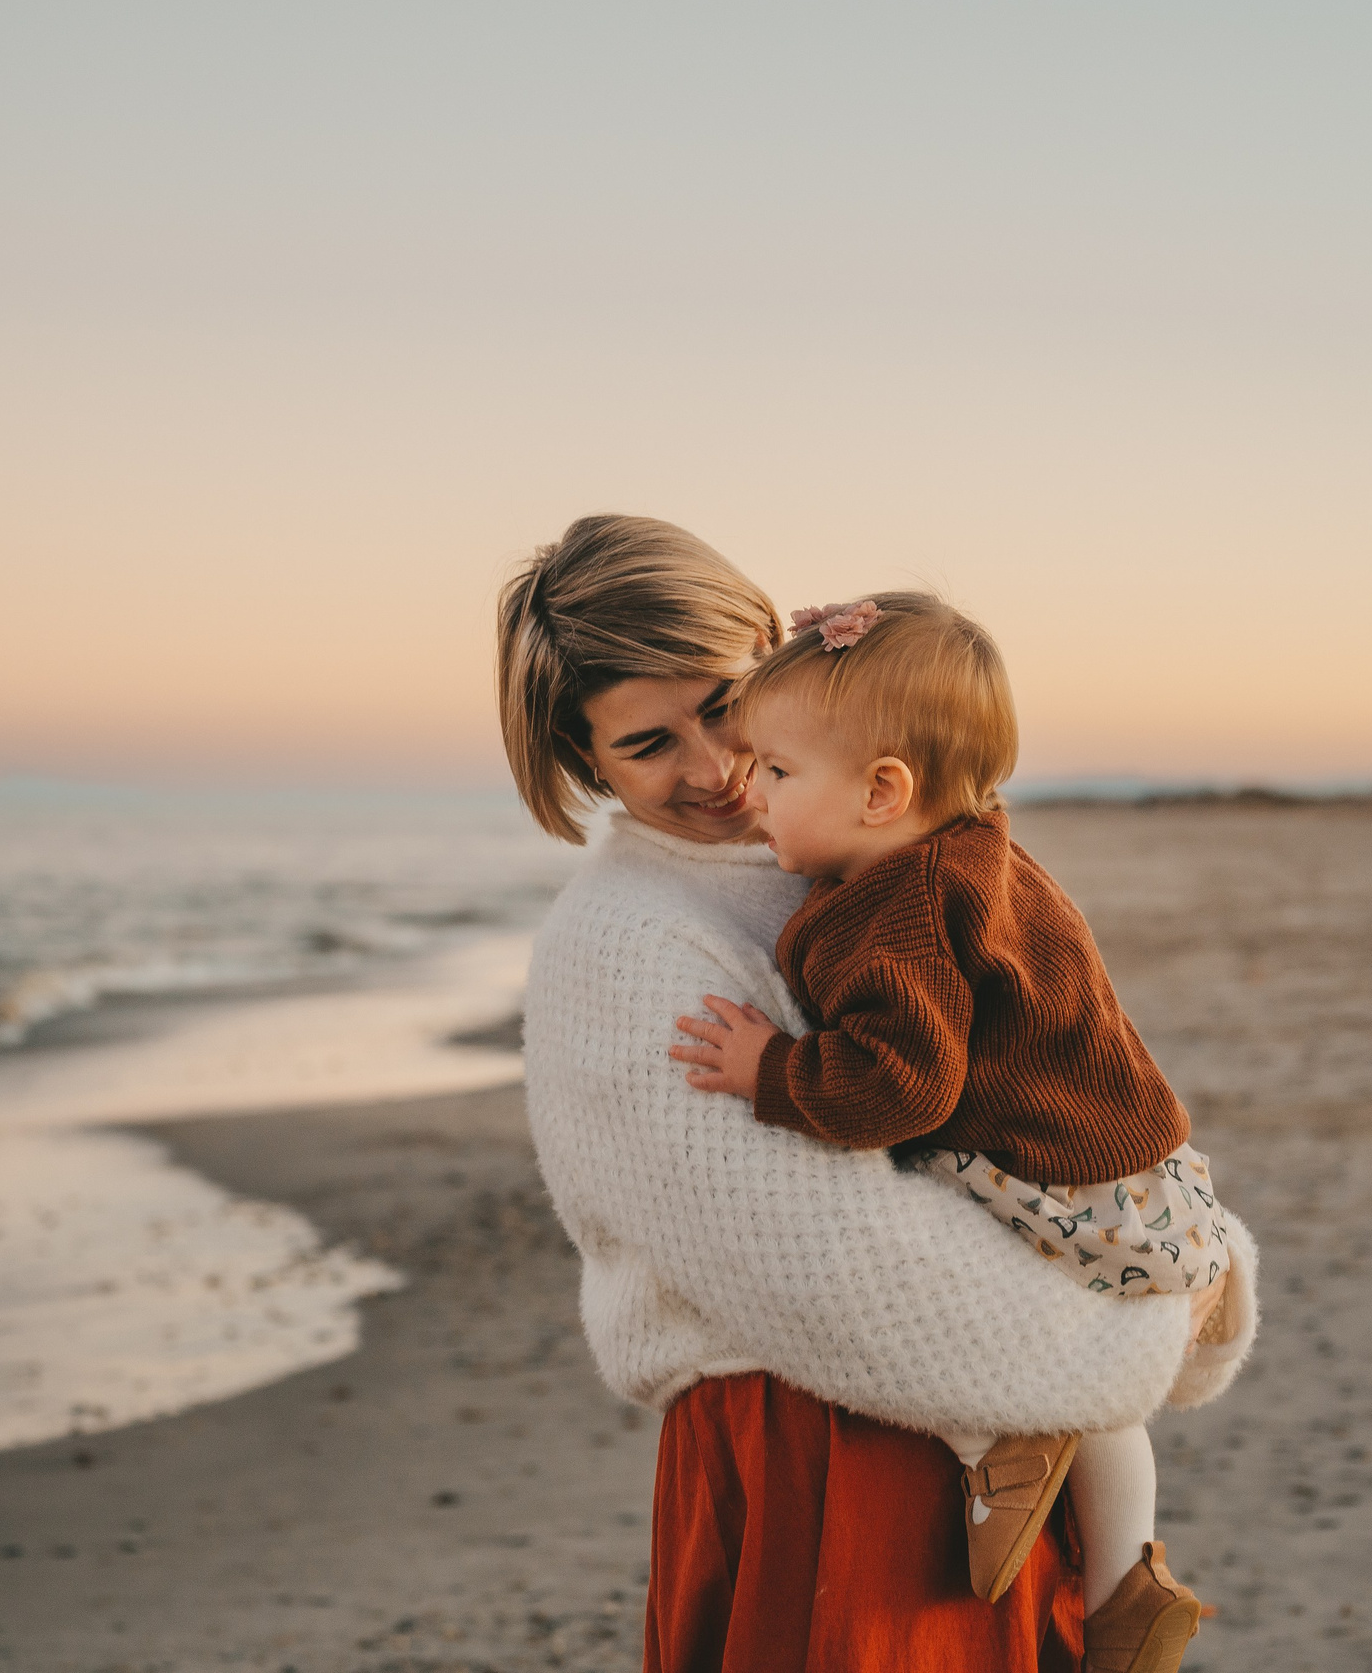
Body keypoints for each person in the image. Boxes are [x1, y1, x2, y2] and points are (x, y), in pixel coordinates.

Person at [498, 517, 1258, 1672]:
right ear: (581, 760)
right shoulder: (620, 946)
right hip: (818, 1454)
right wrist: (1150, 1304)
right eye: (648, 742)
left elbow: (1038, 1075)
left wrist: (1163, 1255)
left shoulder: (861, 853)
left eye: (721, 705)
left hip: (989, 1430)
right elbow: (827, 1260)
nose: (713, 768)